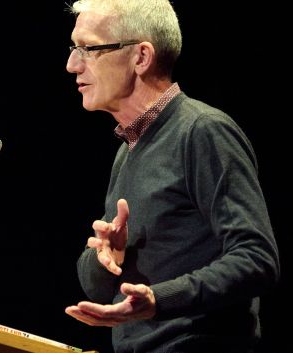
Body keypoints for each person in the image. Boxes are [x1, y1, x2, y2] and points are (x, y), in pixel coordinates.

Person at [63, 1, 280, 352]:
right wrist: (108, 258)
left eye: (88, 49)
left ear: (141, 57)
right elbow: (94, 287)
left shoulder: (202, 132)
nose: (72, 64)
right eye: (74, 49)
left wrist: (159, 299)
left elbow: (257, 258)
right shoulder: (128, 149)